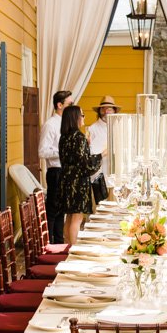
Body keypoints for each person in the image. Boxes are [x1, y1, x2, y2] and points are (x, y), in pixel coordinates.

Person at [57, 105, 103, 245]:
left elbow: (73, 159)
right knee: (77, 219)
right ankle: (74, 251)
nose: (84, 118)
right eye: (82, 115)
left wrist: (86, 146)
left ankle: (67, 247)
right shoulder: (79, 137)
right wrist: (100, 156)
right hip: (78, 184)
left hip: (66, 181)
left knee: (69, 217)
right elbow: (86, 165)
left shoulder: (64, 138)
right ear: (75, 117)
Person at [38, 89, 72, 243]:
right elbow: (42, 151)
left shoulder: (65, 124)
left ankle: (59, 245)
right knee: (52, 212)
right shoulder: (50, 125)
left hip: (64, 171)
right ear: (59, 105)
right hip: (55, 172)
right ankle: (48, 245)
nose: (72, 107)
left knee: (61, 212)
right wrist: (63, 152)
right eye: (69, 104)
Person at [89, 95, 119, 178]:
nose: (106, 112)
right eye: (103, 109)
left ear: (114, 111)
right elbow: (89, 153)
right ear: (99, 111)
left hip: (117, 172)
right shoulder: (92, 129)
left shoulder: (119, 127)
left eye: (109, 109)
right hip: (99, 173)